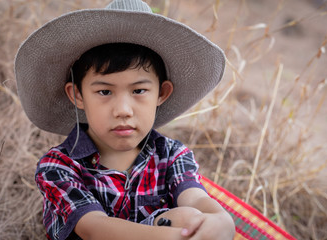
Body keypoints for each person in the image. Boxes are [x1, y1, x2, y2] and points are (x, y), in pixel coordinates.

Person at [15, 0, 235, 239]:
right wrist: (172, 236)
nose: (123, 110)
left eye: (139, 91)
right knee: (182, 221)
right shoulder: (59, 166)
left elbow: (196, 198)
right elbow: (93, 228)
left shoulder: (171, 156)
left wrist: (222, 220)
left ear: (161, 93)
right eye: (105, 92)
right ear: (77, 95)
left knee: (190, 217)